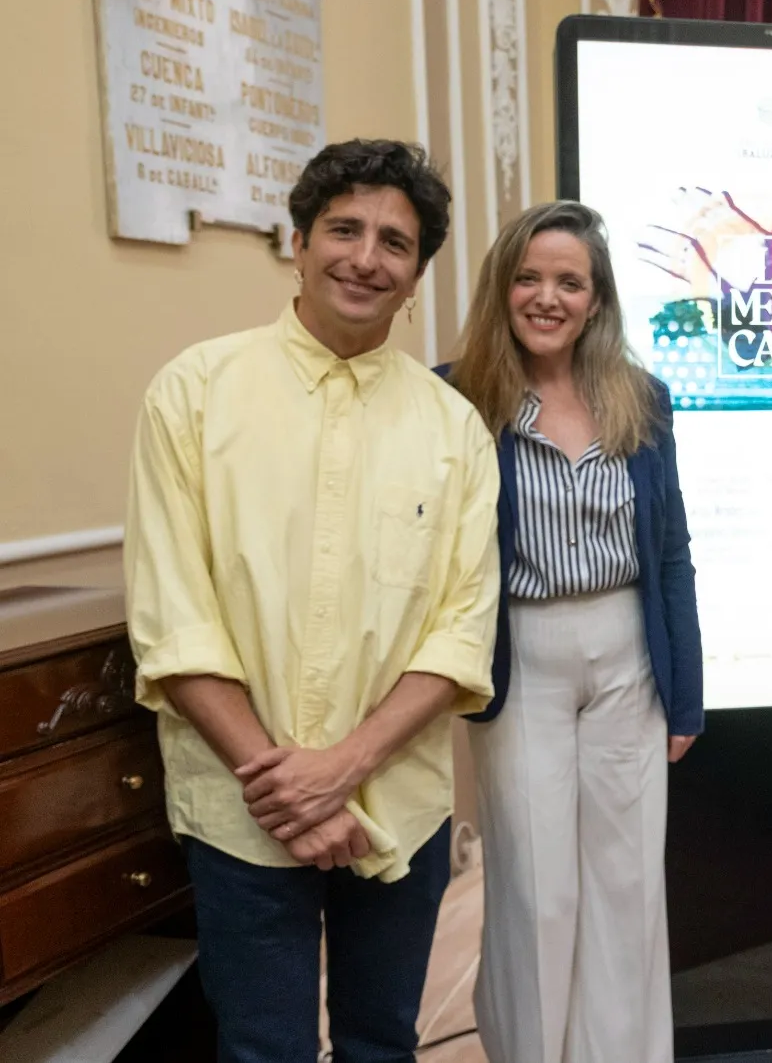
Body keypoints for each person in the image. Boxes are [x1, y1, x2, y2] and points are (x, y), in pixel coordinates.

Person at [124, 139, 500, 1063]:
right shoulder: (194, 394)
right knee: (263, 1050)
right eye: (344, 229)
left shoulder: (452, 428)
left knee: (381, 1042)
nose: (365, 258)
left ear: (416, 278)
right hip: (239, 806)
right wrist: (288, 789)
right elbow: (176, 619)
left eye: (395, 244)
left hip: (397, 802)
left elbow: (461, 629)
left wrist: (342, 769)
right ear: (298, 239)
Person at [442, 200, 703, 1063]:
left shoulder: (642, 398)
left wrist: (686, 701)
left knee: (626, 886)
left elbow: (672, 554)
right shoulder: (456, 398)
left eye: (569, 281)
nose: (547, 297)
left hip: (630, 653)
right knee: (537, 890)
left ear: (597, 299)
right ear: (502, 286)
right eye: (529, 277)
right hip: (523, 658)